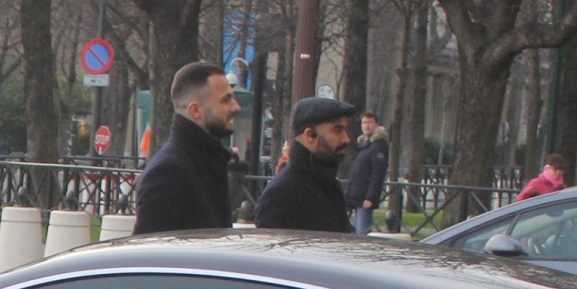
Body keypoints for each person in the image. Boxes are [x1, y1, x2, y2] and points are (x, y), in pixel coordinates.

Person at [134, 61, 243, 234]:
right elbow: (150, 253)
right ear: (195, 111)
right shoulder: (169, 171)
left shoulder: (206, 159)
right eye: (226, 99)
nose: (236, 107)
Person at [254, 95, 357, 232]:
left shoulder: (330, 186)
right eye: (337, 130)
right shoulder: (282, 194)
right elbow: (270, 251)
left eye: (345, 130)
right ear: (310, 135)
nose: (346, 139)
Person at [346, 110, 389, 235]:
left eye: (370, 122)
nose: (367, 125)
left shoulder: (378, 145)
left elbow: (378, 174)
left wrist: (370, 197)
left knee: (362, 233)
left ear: (376, 124)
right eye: (364, 122)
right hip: (357, 196)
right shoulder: (364, 144)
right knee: (354, 232)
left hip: (365, 197)